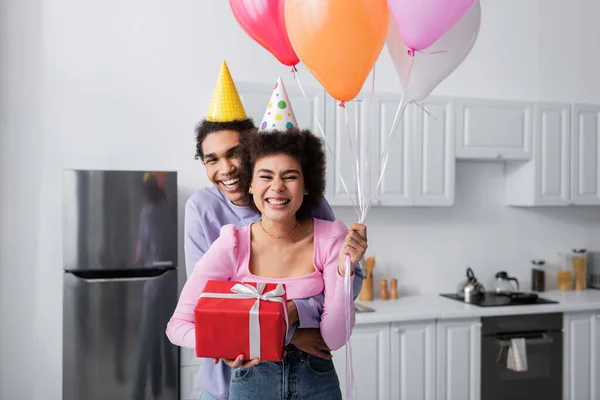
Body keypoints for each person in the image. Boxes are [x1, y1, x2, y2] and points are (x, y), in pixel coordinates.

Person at [183, 64, 365, 399]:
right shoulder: (204, 212)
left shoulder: (304, 206)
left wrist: (296, 313)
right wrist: (288, 332)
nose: (226, 169)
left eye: (235, 154)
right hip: (229, 373)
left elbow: (348, 279)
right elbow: (207, 302)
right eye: (212, 159)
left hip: (310, 373)